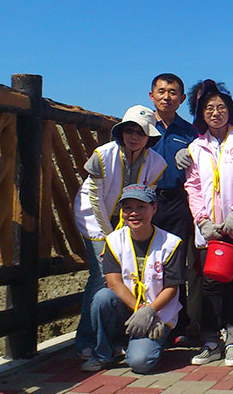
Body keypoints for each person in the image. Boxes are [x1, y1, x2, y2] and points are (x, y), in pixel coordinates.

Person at [73, 106, 166, 360]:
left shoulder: (157, 163)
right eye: (129, 131)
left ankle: (115, 337)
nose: (134, 136)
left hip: (129, 222)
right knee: (101, 275)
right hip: (96, 219)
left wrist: (128, 230)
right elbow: (93, 197)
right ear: (121, 132)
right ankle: (86, 340)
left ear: (149, 137)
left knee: (126, 276)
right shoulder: (103, 155)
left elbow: (145, 197)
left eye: (141, 132)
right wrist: (108, 238)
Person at [184, 80, 233, 367]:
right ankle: (210, 342)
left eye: (220, 107)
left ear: (229, 110)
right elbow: (192, 186)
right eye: (208, 108)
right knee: (210, 286)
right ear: (200, 113)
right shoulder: (196, 146)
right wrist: (203, 220)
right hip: (210, 231)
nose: (215, 113)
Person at [81, 184, 184, 373]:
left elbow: (172, 287)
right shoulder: (114, 240)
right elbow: (113, 283)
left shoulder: (171, 243)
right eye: (128, 208)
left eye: (141, 207)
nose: (134, 213)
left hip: (157, 315)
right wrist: (140, 310)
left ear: (154, 208)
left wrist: (150, 312)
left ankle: (138, 346)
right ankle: (103, 354)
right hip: (129, 309)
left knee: (140, 363)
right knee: (102, 297)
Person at [148, 74, 201, 341]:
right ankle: (148, 320)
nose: (166, 97)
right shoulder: (140, 128)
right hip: (148, 202)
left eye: (172, 93)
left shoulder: (189, 132)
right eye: (161, 91)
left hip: (180, 202)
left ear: (181, 99)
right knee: (150, 262)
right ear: (151, 96)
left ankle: (179, 325)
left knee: (177, 263)